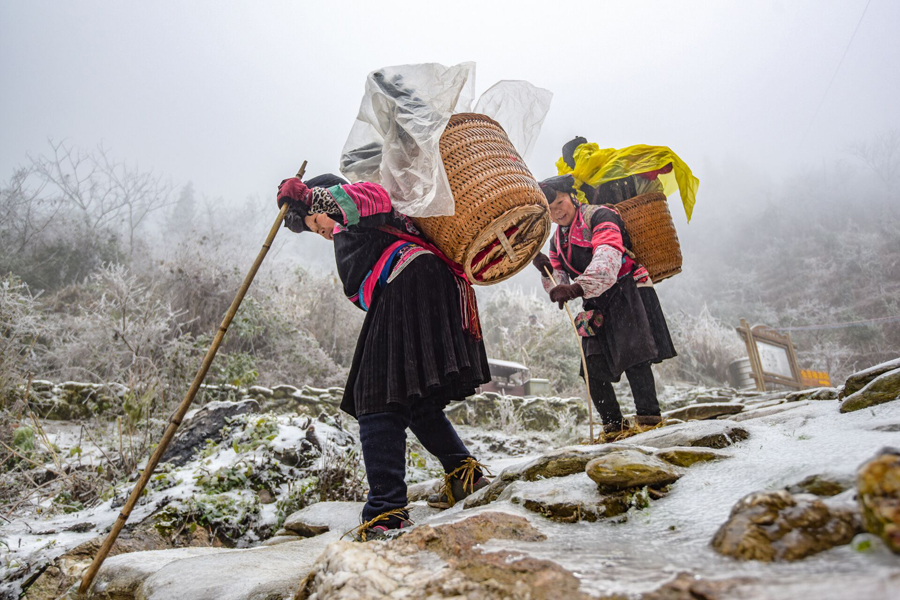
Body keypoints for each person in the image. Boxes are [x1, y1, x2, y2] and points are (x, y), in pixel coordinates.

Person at [276, 173, 491, 539]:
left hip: (409, 277)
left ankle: (386, 510)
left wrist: (313, 197)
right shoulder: (349, 232)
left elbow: (373, 198)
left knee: (375, 393)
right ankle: (463, 475)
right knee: (413, 396)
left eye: (315, 222)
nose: (321, 230)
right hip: (425, 283)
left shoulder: (354, 202)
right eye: (313, 228)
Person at [533, 174, 677, 435]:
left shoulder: (600, 216)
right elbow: (560, 280)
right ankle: (613, 427)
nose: (556, 213)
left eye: (560, 204)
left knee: (635, 357)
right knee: (591, 366)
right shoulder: (556, 241)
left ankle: (649, 421)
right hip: (594, 299)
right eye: (550, 210)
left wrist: (576, 288)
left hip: (626, 288)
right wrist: (547, 272)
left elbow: (608, 255)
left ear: (573, 198)